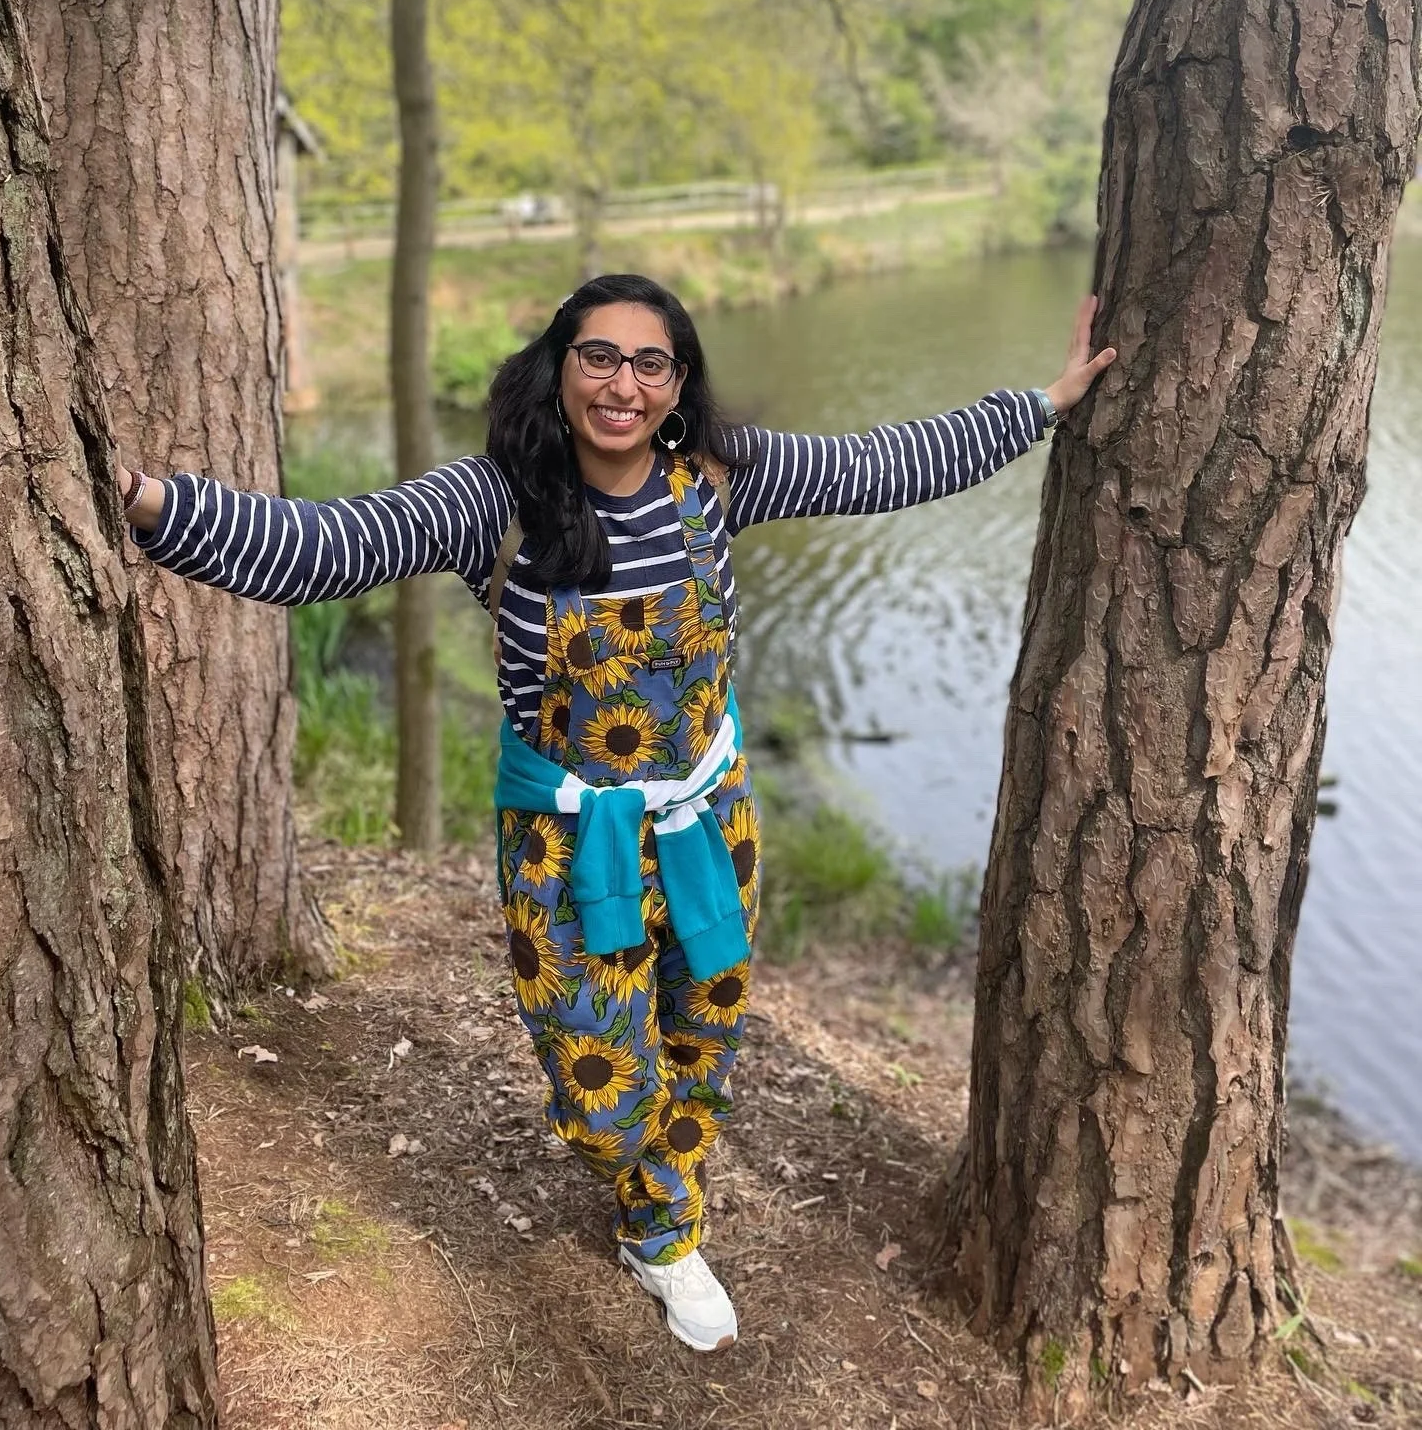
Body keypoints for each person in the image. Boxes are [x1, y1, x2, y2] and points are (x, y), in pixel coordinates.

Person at [119, 272, 1116, 1355]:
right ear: (559, 368)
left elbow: (882, 464)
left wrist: (1042, 404)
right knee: (605, 1098)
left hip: (707, 821)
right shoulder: (493, 504)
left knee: (702, 1037)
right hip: (568, 845)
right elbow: (327, 544)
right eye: (598, 356)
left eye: (650, 363)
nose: (622, 385)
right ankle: (634, 1175)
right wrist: (147, 503)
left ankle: (662, 1233)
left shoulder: (719, 476)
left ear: (678, 384)